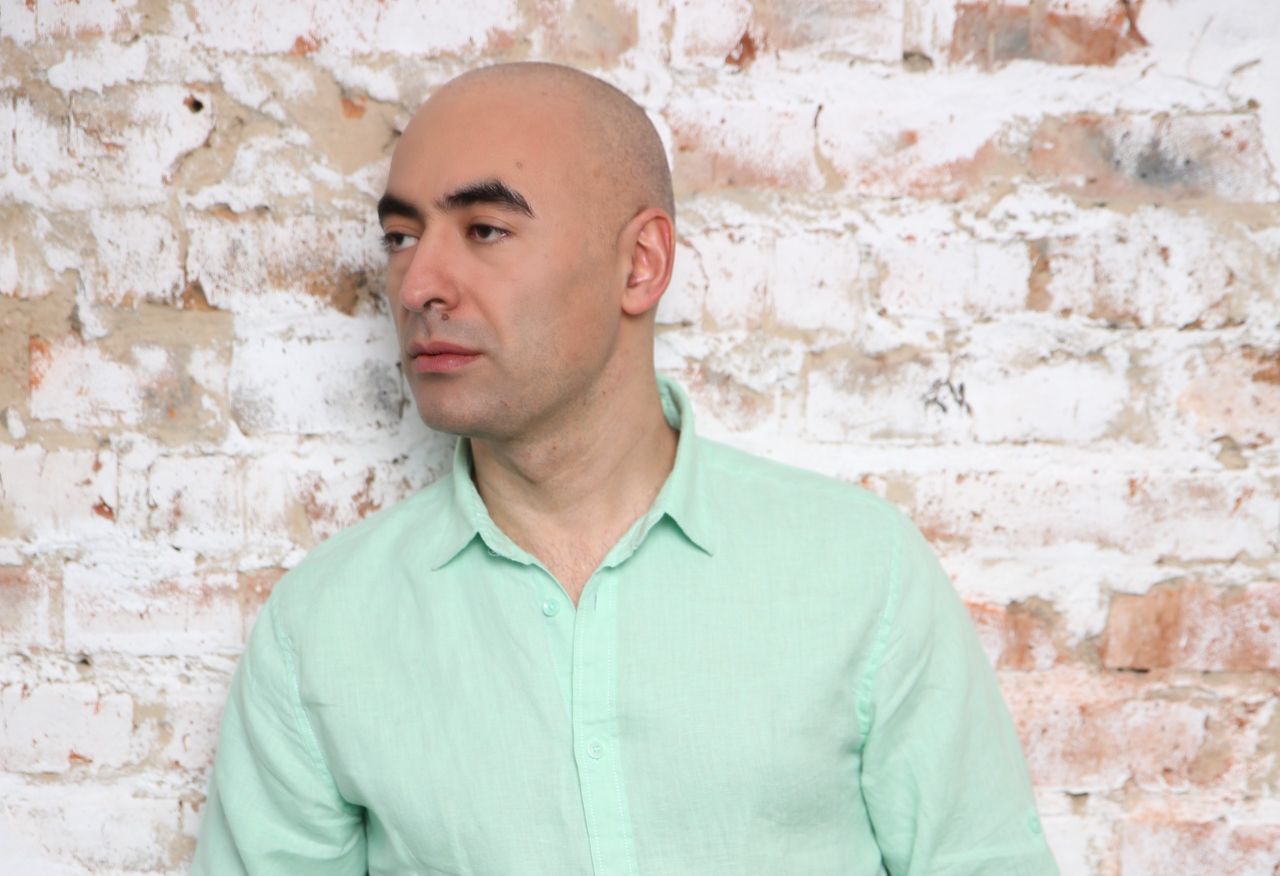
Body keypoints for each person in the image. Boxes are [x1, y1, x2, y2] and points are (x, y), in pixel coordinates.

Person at [192, 62, 1059, 875]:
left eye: (485, 229)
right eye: (400, 235)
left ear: (640, 264)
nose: (418, 283)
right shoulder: (323, 630)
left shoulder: (859, 573)